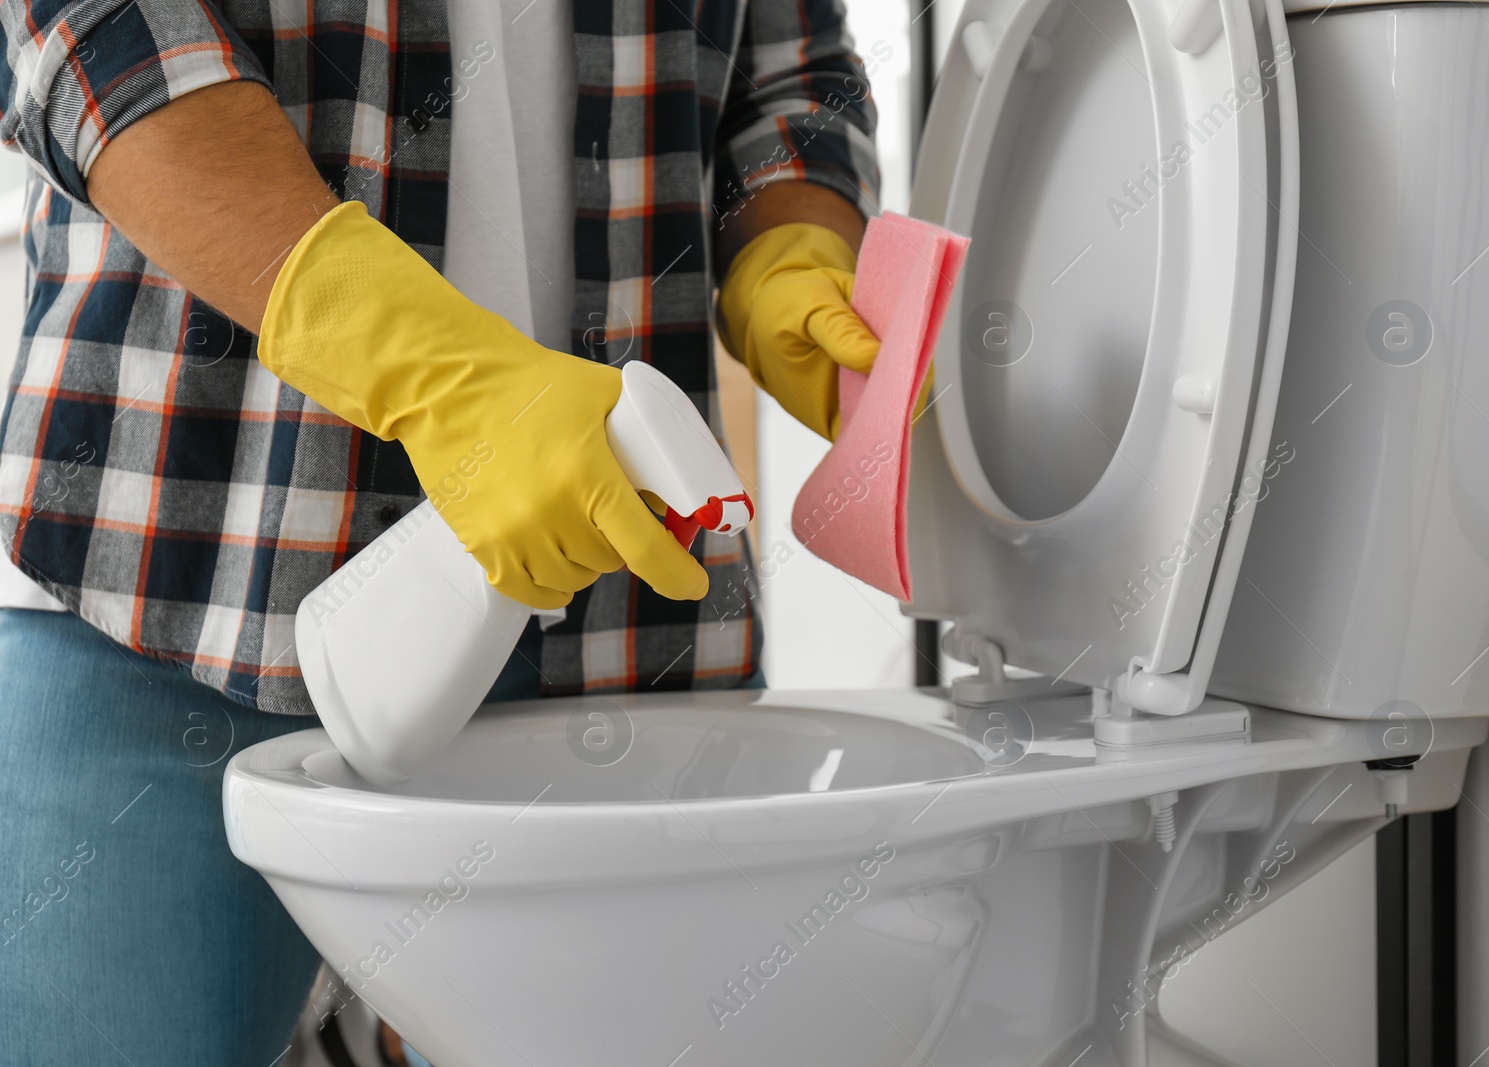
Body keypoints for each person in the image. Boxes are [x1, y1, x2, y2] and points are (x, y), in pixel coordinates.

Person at [0, 0, 882, 1061]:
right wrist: (442, 380)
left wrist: (790, 241)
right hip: (173, 576)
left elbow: (791, 69)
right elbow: (107, 36)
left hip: (608, 615)